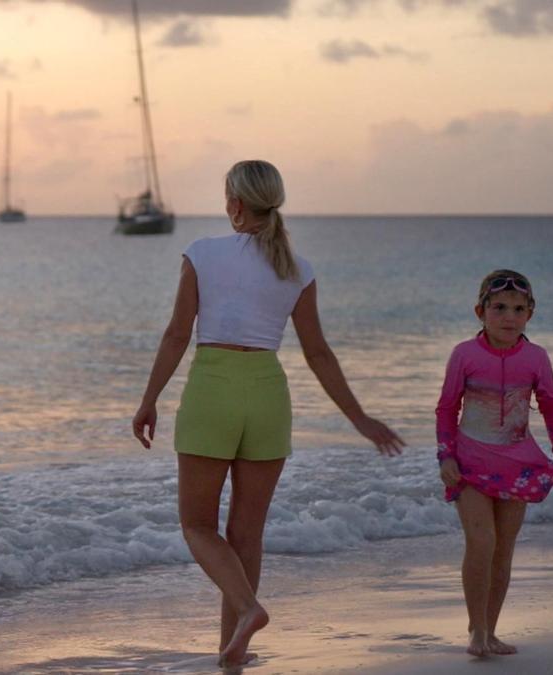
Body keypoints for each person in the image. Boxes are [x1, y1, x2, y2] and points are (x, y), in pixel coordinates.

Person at [131, 160, 404, 666]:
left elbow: (176, 334)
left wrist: (149, 400)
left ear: (235, 203)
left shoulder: (202, 253)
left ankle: (249, 609)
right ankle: (231, 648)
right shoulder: (296, 268)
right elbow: (318, 353)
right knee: (246, 534)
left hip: (213, 391)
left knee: (197, 527)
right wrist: (359, 419)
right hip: (268, 398)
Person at [435, 269, 553, 657]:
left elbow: (551, 403)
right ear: (480, 311)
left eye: (518, 308)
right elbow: (447, 407)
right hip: (470, 462)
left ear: (530, 314)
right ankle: (476, 630)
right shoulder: (465, 355)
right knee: (482, 541)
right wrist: (445, 455)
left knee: (503, 550)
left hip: (518, 463)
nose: (508, 316)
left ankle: (491, 630)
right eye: (499, 307)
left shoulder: (536, 358)